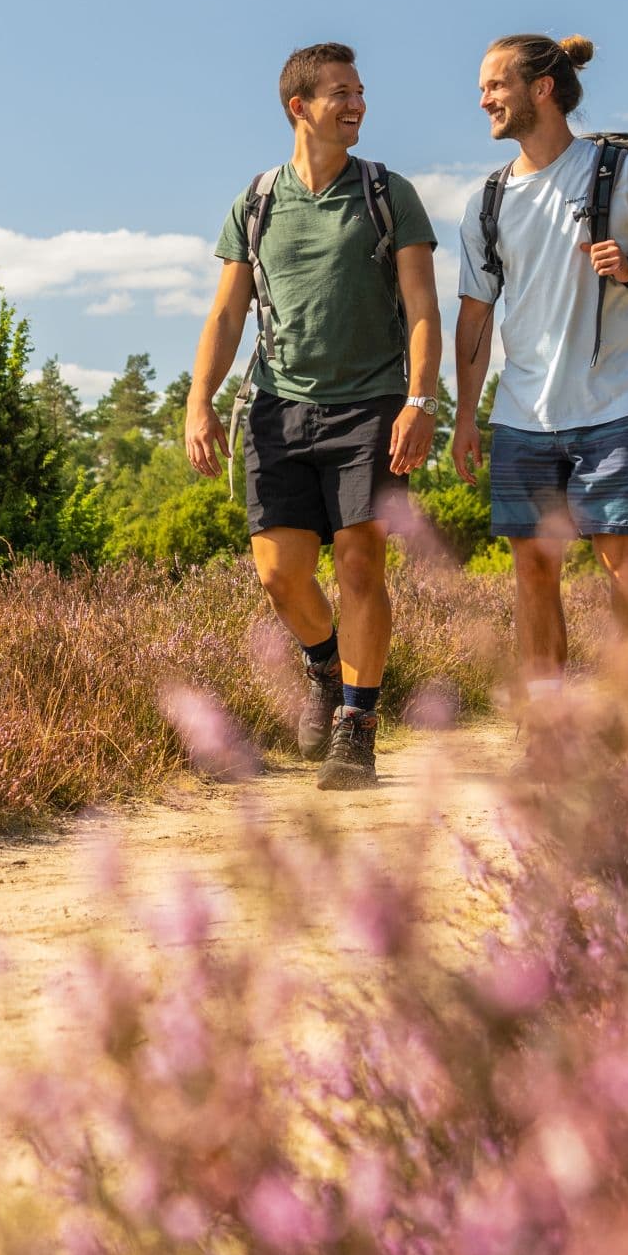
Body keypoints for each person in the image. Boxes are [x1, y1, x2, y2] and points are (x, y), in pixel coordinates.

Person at [184, 43, 443, 790]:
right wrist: (199, 401)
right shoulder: (257, 201)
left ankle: (356, 729)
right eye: (340, 93)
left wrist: (421, 400)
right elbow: (228, 313)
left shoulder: (388, 193)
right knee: (279, 574)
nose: (357, 104)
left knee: (361, 559)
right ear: (299, 107)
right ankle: (325, 671)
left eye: (360, 91)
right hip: (277, 407)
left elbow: (423, 309)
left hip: (370, 405)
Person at [448, 33, 628, 738]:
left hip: (615, 405)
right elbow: (475, 317)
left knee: (624, 559)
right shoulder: (486, 202)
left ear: (541, 88)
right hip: (522, 415)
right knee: (534, 571)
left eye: (496, 85)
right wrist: (465, 417)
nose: (484, 99)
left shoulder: (618, 175)